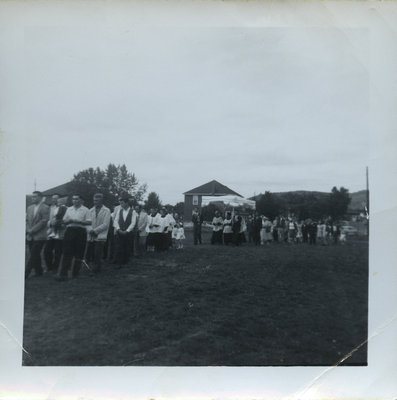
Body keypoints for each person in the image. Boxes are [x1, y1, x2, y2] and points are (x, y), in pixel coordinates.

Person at [56, 194, 91, 281]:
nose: (75, 201)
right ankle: (63, 274)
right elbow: (64, 221)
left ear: (81, 200)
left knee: (79, 253)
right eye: (73, 199)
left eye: (77, 199)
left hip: (80, 231)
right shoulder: (69, 209)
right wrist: (67, 221)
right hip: (70, 231)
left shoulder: (86, 210)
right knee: (67, 252)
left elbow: (89, 222)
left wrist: (79, 221)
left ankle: (76, 273)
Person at [25, 191, 50, 278]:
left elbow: (44, 221)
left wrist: (32, 230)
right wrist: (28, 230)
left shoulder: (45, 207)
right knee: (35, 254)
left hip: (40, 236)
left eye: (35, 197)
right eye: (32, 197)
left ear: (40, 197)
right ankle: (39, 272)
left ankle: (25, 274)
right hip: (30, 235)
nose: (33, 198)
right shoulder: (29, 208)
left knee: (33, 255)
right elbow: (27, 220)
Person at [86, 193, 111, 274]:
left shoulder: (107, 210)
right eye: (94, 200)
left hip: (101, 234)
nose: (95, 202)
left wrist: (95, 231)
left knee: (98, 252)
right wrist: (90, 230)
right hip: (91, 234)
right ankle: (90, 267)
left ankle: (96, 269)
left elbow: (106, 224)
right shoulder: (90, 210)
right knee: (90, 252)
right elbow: (88, 223)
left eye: (97, 200)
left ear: (101, 200)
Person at [44, 194, 67, 273]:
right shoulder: (50, 208)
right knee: (47, 251)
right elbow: (47, 219)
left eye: (56, 198)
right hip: (50, 232)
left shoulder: (65, 208)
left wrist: (60, 223)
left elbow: (65, 220)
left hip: (60, 233)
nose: (54, 200)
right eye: (53, 198)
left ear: (60, 199)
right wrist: (50, 223)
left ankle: (55, 268)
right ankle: (49, 267)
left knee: (58, 251)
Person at [113, 196, 137, 268]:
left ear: (127, 203)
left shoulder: (133, 211)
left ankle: (125, 262)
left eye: (122, 203)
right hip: (120, 232)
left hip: (128, 233)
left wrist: (127, 231)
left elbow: (133, 223)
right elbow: (116, 221)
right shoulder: (119, 211)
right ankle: (119, 262)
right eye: (120, 203)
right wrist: (118, 229)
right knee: (119, 247)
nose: (121, 205)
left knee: (127, 247)